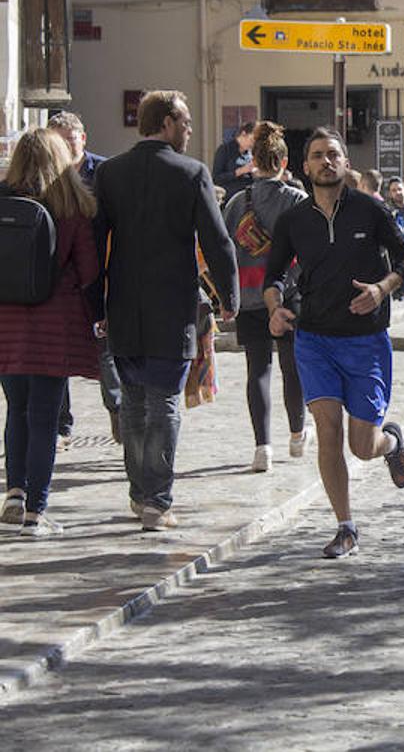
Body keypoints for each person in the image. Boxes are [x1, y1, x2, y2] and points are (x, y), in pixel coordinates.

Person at [264, 127, 404, 559]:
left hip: (365, 341)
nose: (326, 161)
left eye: (333, 154)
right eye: (317, 155)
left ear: (346, 163)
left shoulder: (370, 209)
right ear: (304, 166)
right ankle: (345, 527)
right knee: (328, 429)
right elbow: (274, 276)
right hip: (314, 340)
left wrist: (381, 289)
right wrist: (274, 308)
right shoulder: (294, 220)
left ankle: (391, 443)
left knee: (362, 446)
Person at [95, 90, 239, 531]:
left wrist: (94, 303)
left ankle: (140, 494)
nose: (190, 130)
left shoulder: (110, 172)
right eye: (186, 122)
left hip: (123, 305)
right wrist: (229, 296)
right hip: (172, 308)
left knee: (134, 404)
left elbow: (94, 242)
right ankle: (157, 501)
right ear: (167, 121)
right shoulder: (191, 173)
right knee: (164, 403)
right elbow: (217, 240)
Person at [0, 129, 102, 537]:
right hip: (54, 325)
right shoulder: (72, 206)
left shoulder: (2, 200)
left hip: (5, 323)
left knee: (16, 410)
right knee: (45, 418)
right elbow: (90, 271)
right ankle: (36, 512)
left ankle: (14, 493)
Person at [222, 121, 310, 473]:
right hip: (288, 295)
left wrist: (227, 296)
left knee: (257, 370)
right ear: (284, 162)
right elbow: (308, 253)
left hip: (249, 294)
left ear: (254, 161)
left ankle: (262, 447)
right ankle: (297, 433)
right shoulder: (297, 200)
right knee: (292, 367)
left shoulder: (236, 202)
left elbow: (225, 250)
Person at [48, 111, 121, 445]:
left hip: (100, 272)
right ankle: (61, 423)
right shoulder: (48, 176)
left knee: (106, 350)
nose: (65, 146)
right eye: (58, 141)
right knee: (57, 351)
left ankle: (118, 413)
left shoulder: (104, 172)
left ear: (83, 138)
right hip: (62, 277)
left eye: (70, 139)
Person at [212, 121, 256, 204]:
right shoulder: (225, 150)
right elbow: (216, 179)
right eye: (251, 140)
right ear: (243, 134)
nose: (253, 144)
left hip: (247, 199)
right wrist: (239, 171)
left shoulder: (250, 154)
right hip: (229, 200)